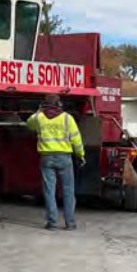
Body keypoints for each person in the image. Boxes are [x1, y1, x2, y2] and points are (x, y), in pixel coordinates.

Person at [25, 93, 85, 230]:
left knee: (49, 191)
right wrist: (81, 155)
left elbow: (29, 124)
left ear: (43, 105)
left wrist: (39, 111)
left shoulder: (39, 118)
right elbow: (76, 139)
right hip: (65, 158)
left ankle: (52, 223)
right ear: (59, 105)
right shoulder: (67, 119)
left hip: (47, 158)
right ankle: (70, 223)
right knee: (68, 191)